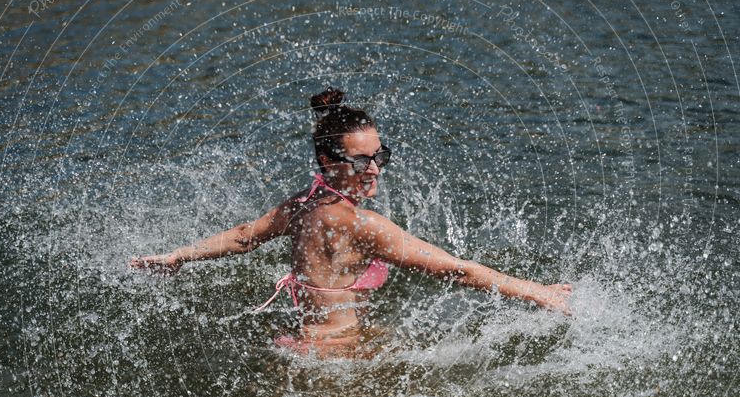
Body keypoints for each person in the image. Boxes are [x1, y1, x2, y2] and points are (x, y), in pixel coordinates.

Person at [130, 87, 572, 357]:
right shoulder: (362, 225)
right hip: (337, 356)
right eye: (361, 160)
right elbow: (454, 268)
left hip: (307, 344)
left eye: (380, 155)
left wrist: (178, 256)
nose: (374, 168)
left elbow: (246, 237)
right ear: (327, 160)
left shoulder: (300, 206)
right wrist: (539, 293)